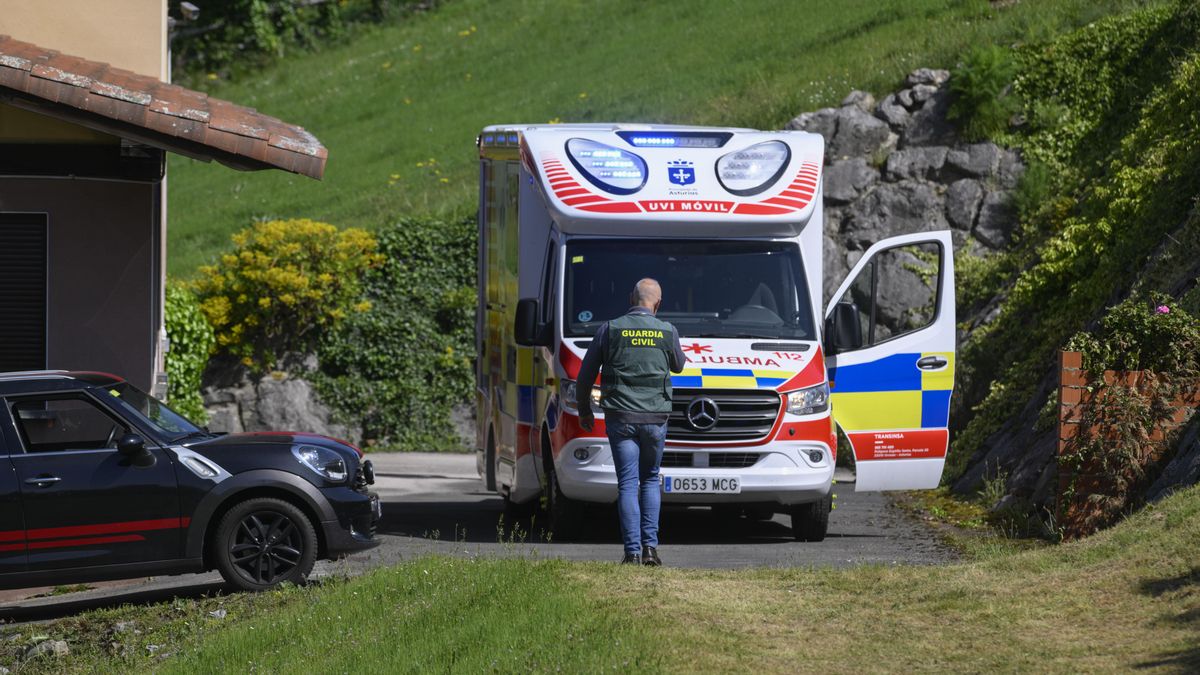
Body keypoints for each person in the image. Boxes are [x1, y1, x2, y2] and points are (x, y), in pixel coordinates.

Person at [577, 278, 685, 565]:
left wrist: (584, 410)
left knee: (627, 483)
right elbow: (678, 365)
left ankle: (632, 552)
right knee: (650, 479)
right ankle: (650, 550)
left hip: (621, 417)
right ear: (658, 304)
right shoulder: (667, 330)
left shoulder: (609, 329)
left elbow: (585, 375)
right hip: (655, 418)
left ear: (630, 299)